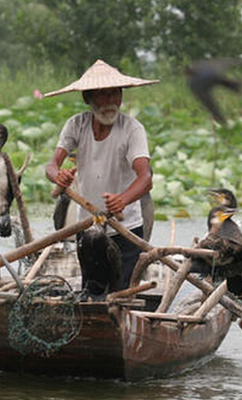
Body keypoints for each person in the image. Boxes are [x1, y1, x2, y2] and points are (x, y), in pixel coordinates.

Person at [44, 59, 158, 290]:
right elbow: (51, 166)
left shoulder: (132, 129)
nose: (109, 102)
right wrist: (59, 176)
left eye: (114, 94)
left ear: (121, 95)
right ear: (88, 98)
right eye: (101, 95)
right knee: (92, 292)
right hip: (88, 228)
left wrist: (122, 200)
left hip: (125, 230)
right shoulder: (77, 125)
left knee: (122, 293)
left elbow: (145, 179)